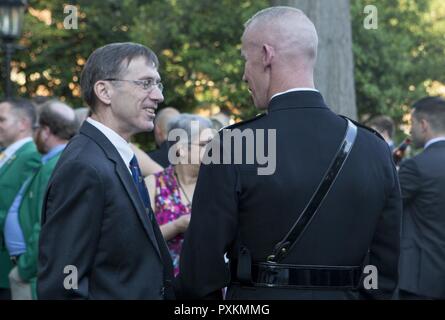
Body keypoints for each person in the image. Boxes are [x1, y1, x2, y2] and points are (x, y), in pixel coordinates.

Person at [177, 6, 402, 300]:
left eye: (245, 59)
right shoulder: (374, 148)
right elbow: (385, 267)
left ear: (266, 55)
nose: (244, 75)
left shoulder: (234, 144)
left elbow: (200, 272)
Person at [37, 42, 174, 299]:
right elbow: (64, 285)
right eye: (145, 83)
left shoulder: (114, 156)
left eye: (158, 84)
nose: (158, 96)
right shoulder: (84, 166)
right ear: (105, 91)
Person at [5, 99, 77, 300]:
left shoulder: (54, 166)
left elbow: (45, 225)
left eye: (36, 128)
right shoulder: (57, 161)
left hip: (34, 273)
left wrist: (24, 268)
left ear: (45, 131)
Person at [145, 114, 214, 276]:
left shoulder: (217, 184)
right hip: (164, 286)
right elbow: (140, 238)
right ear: (181, 149)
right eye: (206, 144)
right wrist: (176, 226)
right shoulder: (154, 184)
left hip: (209, 286)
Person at [398, 97, 445, 300]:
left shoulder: (416, 166)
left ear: (424, 124)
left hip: (422, 279)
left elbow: (387, 204)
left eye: (412, 123)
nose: (410, 131)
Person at [0, 98, 41, 300]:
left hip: (11, 263)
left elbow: (27, 209)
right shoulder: (8, 155)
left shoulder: (30, 155)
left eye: (2, 120)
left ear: (23, 123)